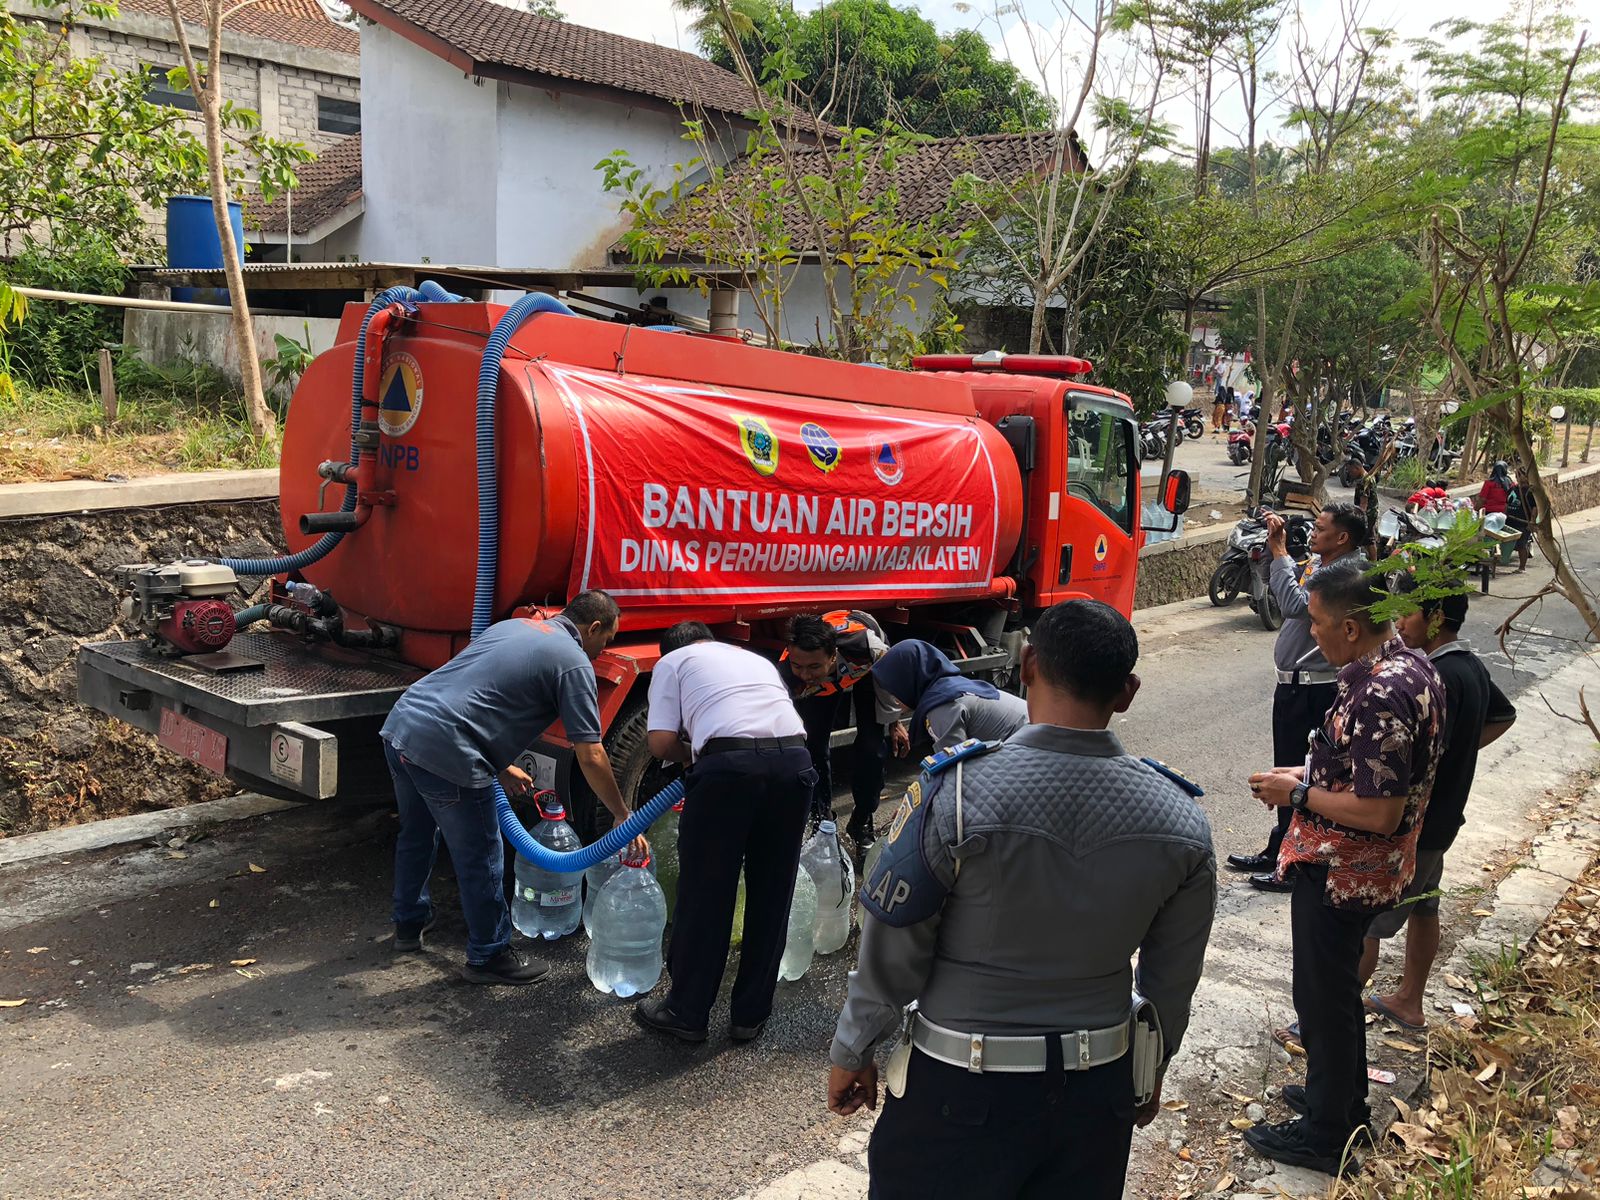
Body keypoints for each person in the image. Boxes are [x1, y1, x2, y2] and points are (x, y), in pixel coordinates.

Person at [826, 599, 1217, 1199]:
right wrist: (1149, 1072)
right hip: (1097, 1095)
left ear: (1027, 664)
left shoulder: (955, 794)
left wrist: (854, 1047)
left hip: (960, 1091)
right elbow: (1172, 982)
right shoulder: (1181, 820)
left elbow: (894, 944)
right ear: (1129, 692)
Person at [1244, 561, 1444, 1176]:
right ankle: (1339, 1097)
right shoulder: (1409, 664)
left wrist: (1297, 797)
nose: (1314, 632)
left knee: (1323, 998)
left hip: (1344, 870)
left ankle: (1329, 1136)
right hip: (1361, 868)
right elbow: (1368, 772)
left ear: (1354, 627)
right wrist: (1304, 776)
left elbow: (1379, 810)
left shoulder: (1381, 692)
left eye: (1321, 622)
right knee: (1333, 995)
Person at [380, 590, 638, 985]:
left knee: (416, 833)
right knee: (482, 854)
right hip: (448, 749)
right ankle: (489, 955)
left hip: (403, 726)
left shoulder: (515, 627)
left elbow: (479, 695)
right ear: (594, 627)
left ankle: (408, 925)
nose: (605, 650)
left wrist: (502, 765)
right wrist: (623, 815)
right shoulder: (573, 663)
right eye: (607, 640)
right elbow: (591, 754)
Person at [633, 621, 815, 1043]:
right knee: (773, 891)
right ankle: (750, 1015)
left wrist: (692, 754)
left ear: (670, 648)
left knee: (707, 891)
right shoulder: (755, 659)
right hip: (794, 764)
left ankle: (687, 1012)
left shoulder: (673, 662)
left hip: (729, 769)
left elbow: (660, 743)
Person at [1358, 587, 1516, 1029]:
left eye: (1407, 613)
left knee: (1366, 923)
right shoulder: (1471, 667)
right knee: (1425, 908)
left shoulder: (1434, 676)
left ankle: (1327, 1021)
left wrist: (1437, 759)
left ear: (1436, 616)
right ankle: (1409, 1000)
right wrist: (1458, 752)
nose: (1399, 624)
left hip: (1416, 826)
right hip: (1445, 819)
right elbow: (1503, 716)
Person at [1226, 502, 1368, 892]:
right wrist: (1273, 556)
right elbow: (1285, 593)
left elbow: (1291, 604)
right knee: (1288, 767)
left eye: (1320, 528)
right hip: (1295, 685)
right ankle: (1281, 848)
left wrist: (1279, 553)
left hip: (1314, 689)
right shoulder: (1321, 565)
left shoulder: (1341, 573)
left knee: (1302, 773)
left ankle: (1294, 861)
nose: (1312, 533)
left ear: (1342, 538)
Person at [782, 611, 909, 847]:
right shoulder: (790, 672)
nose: (805, 674)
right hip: (829, 682)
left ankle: (862, 819)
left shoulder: (869, 648)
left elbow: (890, 684)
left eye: (813, 666)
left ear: (833, 656)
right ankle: (820, 822)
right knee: (813, 749)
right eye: (798, 666)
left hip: (867, 670)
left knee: (872, 748)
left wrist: (894, 722)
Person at [871, 639, 1029, 752]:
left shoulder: (940, 708)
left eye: (894, 687)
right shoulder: (948, 688)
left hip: (1031, 748)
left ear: (908, 680)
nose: (893, 697)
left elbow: (956, 771)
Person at [1506, 465, 1538, 572]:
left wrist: (1532, 521)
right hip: (1510, 520)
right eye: (1516, 475)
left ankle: (1522, 567)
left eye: (1519, 475)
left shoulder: (1531, 492)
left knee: (1521, 545)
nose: (1517, 477)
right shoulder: (1513, 488)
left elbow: (1534, 507)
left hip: (1522, 522)